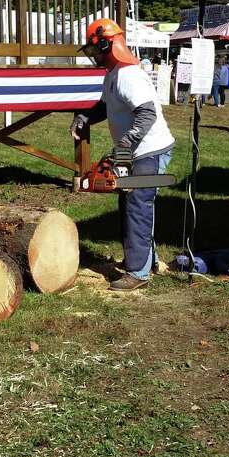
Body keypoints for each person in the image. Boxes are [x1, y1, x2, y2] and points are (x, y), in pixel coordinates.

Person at [71, 18, 175, 291]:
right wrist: (85, 117)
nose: (94, 57)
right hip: (135, 150)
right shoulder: (114, 73)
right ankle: (145, 261)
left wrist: (125, 145)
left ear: (108, 45)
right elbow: (105, 106)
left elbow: (147, 112)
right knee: (131, 204)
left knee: (138, 206)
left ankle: (138, 272)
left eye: (95, 50)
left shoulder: (128, 75)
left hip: (148, 149)